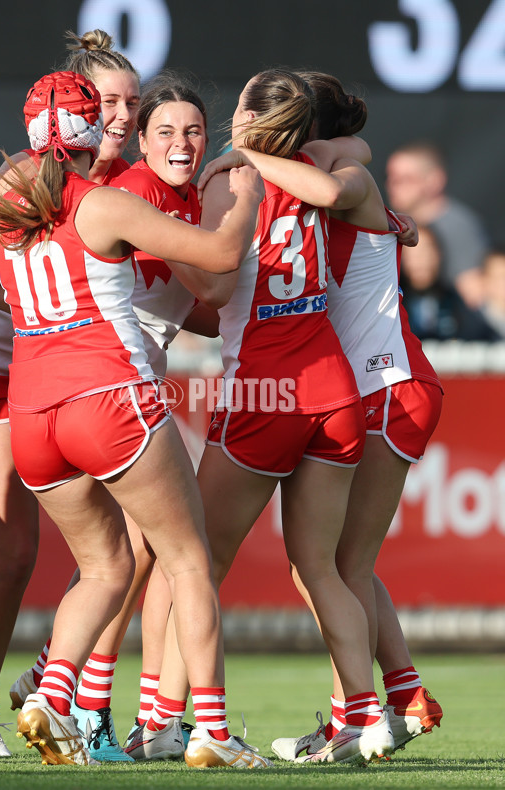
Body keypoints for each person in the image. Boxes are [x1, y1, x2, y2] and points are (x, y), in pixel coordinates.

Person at [0, 69, 269, 771]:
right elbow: (219, 261)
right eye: (110, 105)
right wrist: (246, 190)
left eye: (134, 104)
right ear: (87, 124)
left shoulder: (13, 196)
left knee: (107, 565)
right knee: (187, 558)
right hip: (97, 395)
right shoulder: (106, 202)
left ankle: (51, 691)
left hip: (34, 407)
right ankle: (209, 732)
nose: (124, 116)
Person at [128, 67, 397, 767]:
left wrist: (155, 236)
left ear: (247, 117)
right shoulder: (318, 164)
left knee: (194, 561)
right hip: (334, 389)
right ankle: (366, 720)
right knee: (324, 568)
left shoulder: (228, 175)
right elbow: (367, 178)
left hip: (264, 391)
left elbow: (215, 286)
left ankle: (160, 721)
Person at [197, 70, 445, 761]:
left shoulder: (332, 169)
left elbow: (346, 174)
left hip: (386, 383)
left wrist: (244, 155)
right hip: (368, 387)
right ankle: (396, 698)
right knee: (335, 564)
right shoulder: (310, 173)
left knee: (339, 564)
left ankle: (368, 712)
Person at [385, 140, 489, 310]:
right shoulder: (393, 224)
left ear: (435, 181)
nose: (392, 186)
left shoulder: (456, 226)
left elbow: (475, 298)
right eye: (389, 178)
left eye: (403, 179)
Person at [400, 225, 497, 341]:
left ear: (439, 254)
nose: (421, 260)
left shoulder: (457, 302)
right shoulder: (391, 303)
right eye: (413, 254)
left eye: (427, 251)